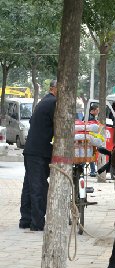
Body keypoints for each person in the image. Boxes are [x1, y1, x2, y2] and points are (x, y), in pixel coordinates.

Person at [19, 79, 57, 231]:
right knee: (38, 187)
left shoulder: (45, 101)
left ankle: (25, 220)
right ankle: (37, 223)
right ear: (55, 88)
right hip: (39, 151)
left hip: (32, 150)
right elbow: (59, 128)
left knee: (29, 186)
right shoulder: (53, 102)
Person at [87, 104, 100, 177]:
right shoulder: (90, 119)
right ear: (92, 111)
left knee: (90, 153)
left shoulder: (90, 117)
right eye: (97, 110)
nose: (98, 112)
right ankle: (92, 171)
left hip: (90, 138)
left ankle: (92, 171)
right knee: (89, 153)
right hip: (90, 138)